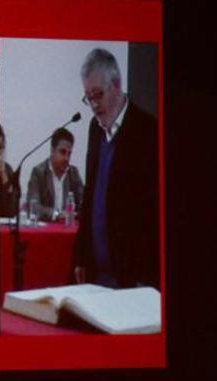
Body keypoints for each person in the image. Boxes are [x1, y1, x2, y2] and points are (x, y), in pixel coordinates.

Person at [73, 47, 159, 289]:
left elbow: (151, 212)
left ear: (117, 84)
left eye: (98, 94)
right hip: (96, 274)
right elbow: (90, 194)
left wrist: (146, 277)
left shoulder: (147, 131)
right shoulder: (94, 128)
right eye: (88, 97)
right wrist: (81, 254)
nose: (93, 104)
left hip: (132, 275)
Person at [26, 127, 84, 222]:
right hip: (45, 231)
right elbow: (34, 207)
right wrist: (56, 214)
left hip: (68, 230)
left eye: (69, 154)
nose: (66, 158)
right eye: (62, 152)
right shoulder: (38, 173)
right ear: (52, 150)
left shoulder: (73, 173)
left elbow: (84, 204)